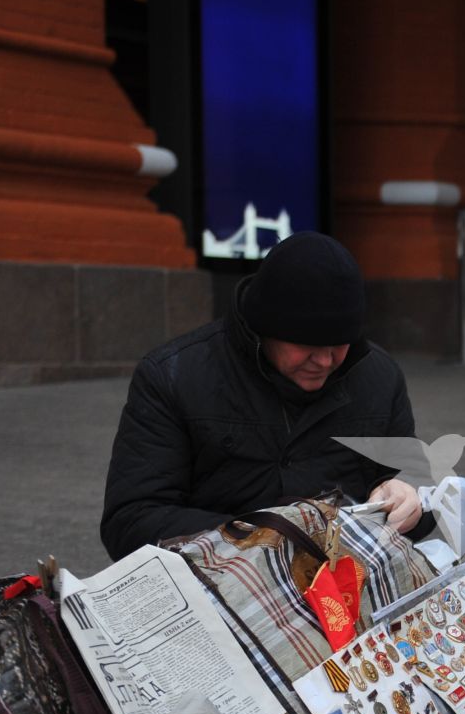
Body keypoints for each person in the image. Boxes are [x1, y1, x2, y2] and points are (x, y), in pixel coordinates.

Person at [100, 232, 429, 558]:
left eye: (340, 344)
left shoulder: (378, 375)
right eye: (309, 346)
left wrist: (407, 497)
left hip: (344, 583)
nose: (326, 361)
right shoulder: (173, 375)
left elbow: (417, 491)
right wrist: (270, 538)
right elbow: (131, 521)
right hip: (215, 578)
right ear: (263, 329)